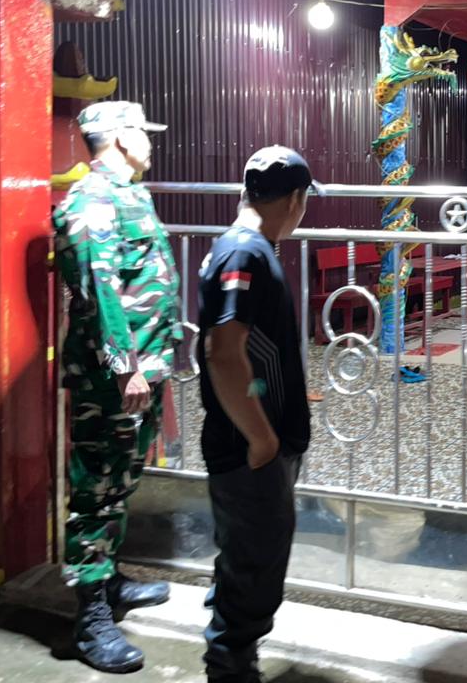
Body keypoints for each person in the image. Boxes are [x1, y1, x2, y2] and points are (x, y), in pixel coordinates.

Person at [52, 100, 180, 674]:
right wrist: (125, 366)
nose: (150, 142)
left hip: (142, 371)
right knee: (95, 489)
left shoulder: (129, 193)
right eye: (143, 133)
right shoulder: (90, 201)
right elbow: (97, 290)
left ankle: (110, 580)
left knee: (122, 480)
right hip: (112, 378)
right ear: (122, 138)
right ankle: (90, 618)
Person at [196, 146, 318, 683]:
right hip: (248, 447)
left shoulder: (247, 247)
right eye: (304, 200)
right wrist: (263, 439)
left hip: (252, 440)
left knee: (246, 555)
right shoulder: (244, 253)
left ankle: (232, 651)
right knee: (255, 561)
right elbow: (223, 353)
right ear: (293, 200)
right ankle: (230, 666)